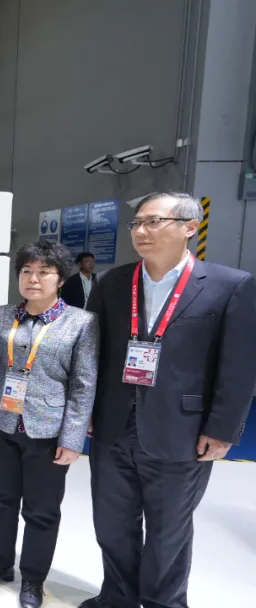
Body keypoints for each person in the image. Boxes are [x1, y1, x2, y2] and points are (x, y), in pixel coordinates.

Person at [81, 192, 256, 608]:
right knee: (112, 522)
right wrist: (85, 411)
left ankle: (164, 602)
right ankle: (118, 597)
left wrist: (222, 429)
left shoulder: (230, 285)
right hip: (113, 425)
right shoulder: (113, 283)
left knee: (169, 530)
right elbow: (91, 353)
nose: (141, 231)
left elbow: (238, 365)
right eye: (137, 223)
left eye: (154, 222)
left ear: (190, 227)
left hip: (183, 430)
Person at [0, 240, 98, 608]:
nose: (33, 279)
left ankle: (34, 578)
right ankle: (1, 563)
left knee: (41, 511)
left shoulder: (81, 322)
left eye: (43, 272)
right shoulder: (3, 314)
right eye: (26, 271)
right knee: (1, 500)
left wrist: (72, 439)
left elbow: (83, 384)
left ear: (61, 279)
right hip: (0, 423)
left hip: (48, 430)